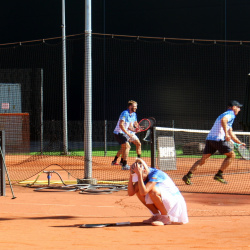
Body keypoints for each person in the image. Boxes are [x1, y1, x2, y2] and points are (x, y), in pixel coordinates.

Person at [183, 100, 245, 185]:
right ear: (234, 107)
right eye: (238, 107)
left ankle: (188, 176)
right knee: (232, 155)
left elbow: (231, 132)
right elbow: (223, 121)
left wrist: (239, 142)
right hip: (218, 139)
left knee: (203, 160)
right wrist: (226, 135)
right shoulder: (230, 114)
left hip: (210, 139)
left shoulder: (224, 114)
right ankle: (219, 174)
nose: (239, 109)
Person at [128, 158, 189, 226]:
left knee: (152, 191)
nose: (141, 179)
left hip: (175, 203)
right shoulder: (144, 174)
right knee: (138, 190)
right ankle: (157, 216)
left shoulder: (156, 174)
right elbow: (131, 193)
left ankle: (165, 218)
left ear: (144, 171)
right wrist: (131, 176)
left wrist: (139, 175)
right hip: (165, 201)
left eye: (141, 177)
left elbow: (143, 192)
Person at [112, 100, 141, 170]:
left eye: (136, 106)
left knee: (137, 144)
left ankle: (139, 161)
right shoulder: (125, 113)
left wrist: (136, 128)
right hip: (119, 133)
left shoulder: (134, 114)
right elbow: (121, 125)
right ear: (130, 106)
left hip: (127, 133)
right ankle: (124, 165)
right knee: (127, 147)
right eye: (135, 106)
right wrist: (128, 133)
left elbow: (131, 126)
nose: (136, 108)